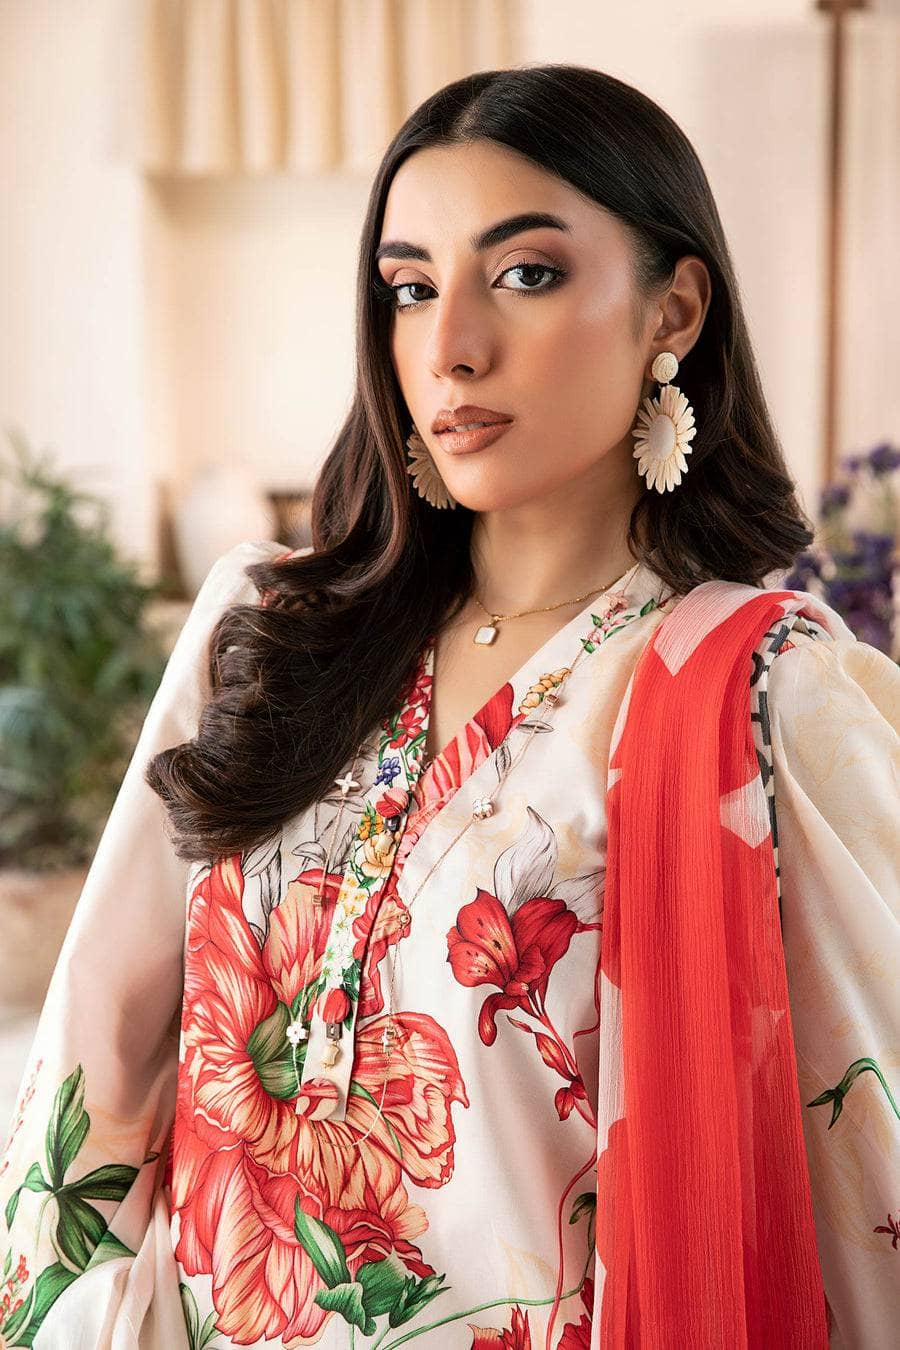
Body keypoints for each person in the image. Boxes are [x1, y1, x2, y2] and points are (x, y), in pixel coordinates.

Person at [0, 64, 897, 1350]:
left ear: (674, 309)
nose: (449, 345)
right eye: (412, 287)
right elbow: (88, 1075)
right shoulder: (267, 630)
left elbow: (866, 1180)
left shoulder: (765, 697)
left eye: (525, 273)